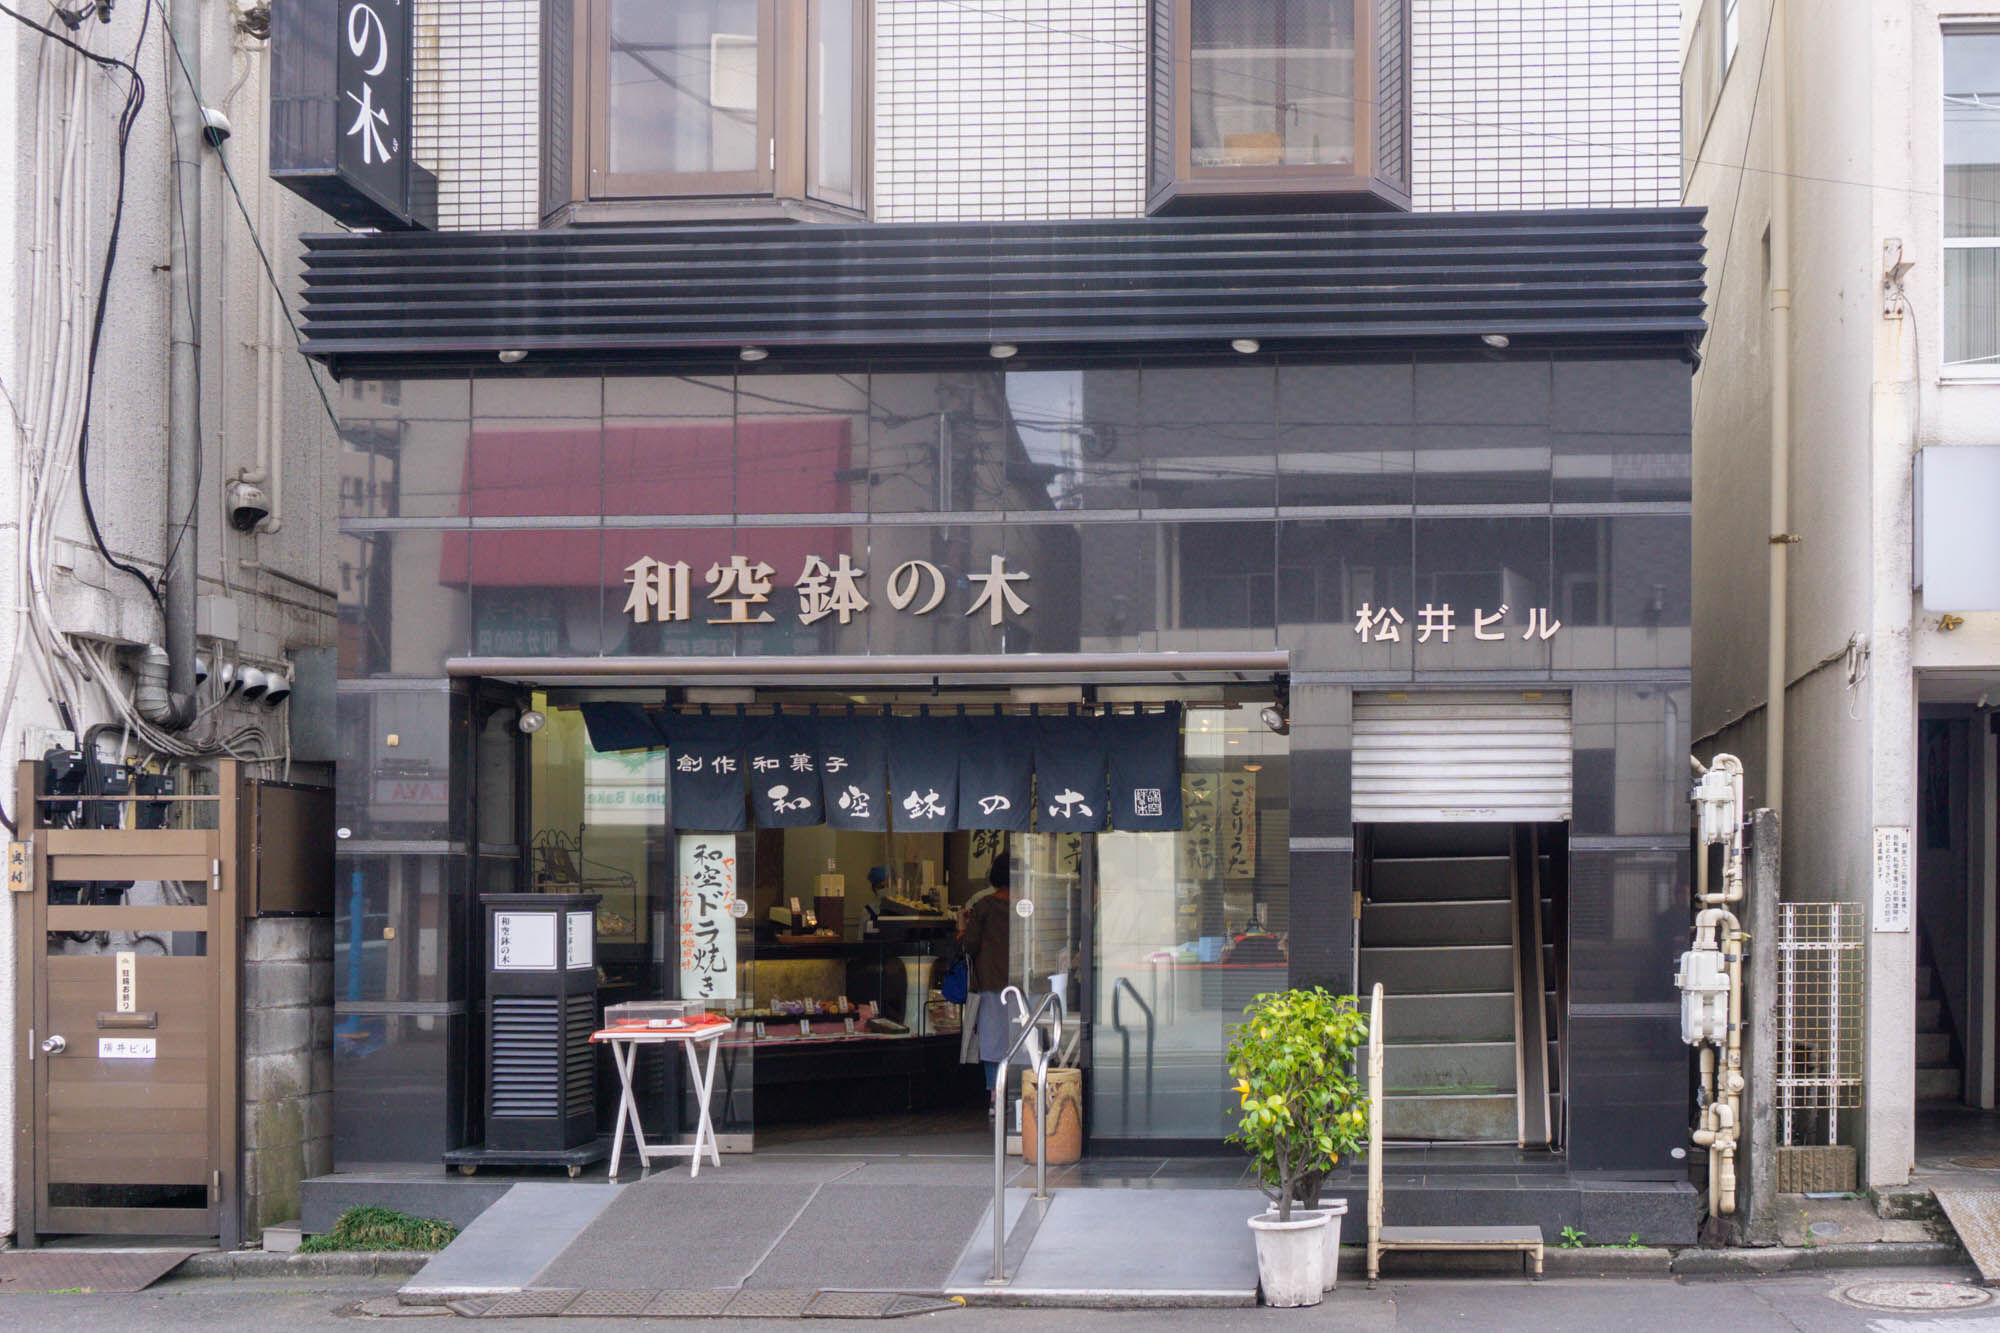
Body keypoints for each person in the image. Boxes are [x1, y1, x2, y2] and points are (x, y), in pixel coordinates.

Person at [958, 852, 1012, 1109]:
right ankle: (1021, 1091)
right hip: (1024, 984)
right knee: (1021, 1039)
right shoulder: (1028, 905)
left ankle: (995, 1095)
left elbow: (969, 945)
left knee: (992, 1039)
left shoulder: (984, 906)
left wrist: (961, 928)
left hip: (990, 982)